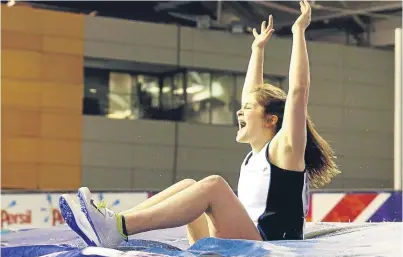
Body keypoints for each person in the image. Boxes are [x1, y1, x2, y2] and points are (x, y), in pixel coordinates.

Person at [59, 0, 340, 249]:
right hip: (241, 242)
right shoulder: (257, 153)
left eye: (248, 110)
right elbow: (251, 96)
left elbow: (298, 92)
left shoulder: (286, 151)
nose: (239, 113)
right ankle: (115, 226)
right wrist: (257, 50)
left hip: (267, 249)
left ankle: (118, 227)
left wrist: (298, 32)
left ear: (271, 120)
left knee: (214, 186)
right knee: (189, 185)